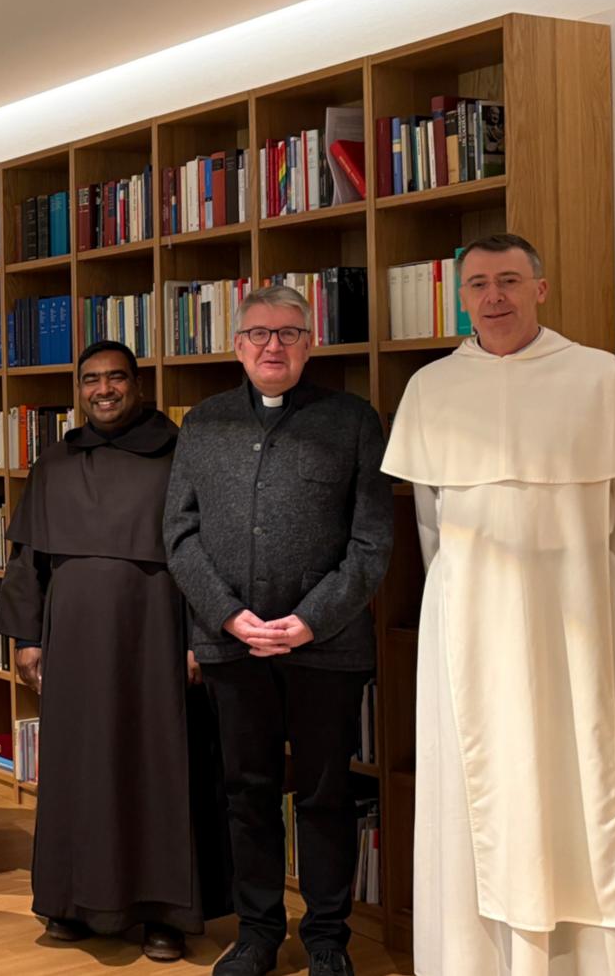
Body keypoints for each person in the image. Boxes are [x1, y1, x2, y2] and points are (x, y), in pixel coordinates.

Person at [383, 234, 615, 976]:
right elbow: (430, 528)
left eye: (509, 280)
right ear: (462, 297)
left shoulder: (598, 377)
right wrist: (473, 602)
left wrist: (601, 608)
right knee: (475, 789)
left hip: (582, 622)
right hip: (467, 626)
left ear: (541, 288)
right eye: (478, 284)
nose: (494, 296)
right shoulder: (432, 388)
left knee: (586, 781)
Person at [164, 284, 393, 976]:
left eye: (288, 332)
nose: (273, 345)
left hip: (327, 647)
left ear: (309, 343)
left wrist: (310, 620)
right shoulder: (202, 423)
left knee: (325, 796)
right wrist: (227, 613)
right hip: (232, 645)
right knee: (248, 791)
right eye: (259, 333)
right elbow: (179, 534)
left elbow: (372, 542)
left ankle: (328, 937)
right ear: (237, 346)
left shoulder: (354, 420)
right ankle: (259, 932)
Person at [0, 339, 230, 962]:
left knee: (155, 769)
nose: (104, 390)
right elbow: (28, 561)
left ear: (138, 384)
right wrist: (25, 637)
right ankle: (72, 903)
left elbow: (204, 556)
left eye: (117, 378)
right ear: (79, 390)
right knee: (78, 770)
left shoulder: (178, 456)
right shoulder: (54, 462)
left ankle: (162, 914)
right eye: (92, 380)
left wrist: (199, 639)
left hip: (155, 640)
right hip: (71, 646)